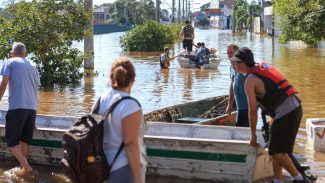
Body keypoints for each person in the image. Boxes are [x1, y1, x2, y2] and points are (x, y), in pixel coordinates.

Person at [231, 47, 307, 183]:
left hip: (286, 111)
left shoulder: (249, 81)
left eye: (235, 62)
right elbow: (276, 93)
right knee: (278, 150)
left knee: (275, 150)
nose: (234, 65)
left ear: (243, 63)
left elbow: (252, 111)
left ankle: (299, 178)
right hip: (294, 107)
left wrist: (253, 135)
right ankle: (277, 180)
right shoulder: (261, 69)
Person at [96, 57, 146, 183]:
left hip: (100, 167)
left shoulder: (101, 100)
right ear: (132, 80)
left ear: (111, 77)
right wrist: (138, 176)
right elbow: (130, 143)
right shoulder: (130, 106)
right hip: (122, 168)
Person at [0, 42, 40, 176]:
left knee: (11, 142)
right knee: (24, 140)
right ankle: (24, 170)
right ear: (26, 54)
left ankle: (26, 167)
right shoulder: (34, 66)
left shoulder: (10, 62)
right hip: (32, 108)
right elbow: (36, 88)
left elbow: (4, 82)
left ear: (12, 53)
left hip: (17, 107)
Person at [225, 44, 249, 127]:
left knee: (245, 132)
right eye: (228, 53)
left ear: (237, 52)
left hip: (248, 108)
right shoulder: (232, 67)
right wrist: (230, 104)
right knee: (239, 130)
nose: (229, 55)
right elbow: (232, 85)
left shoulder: (244, 66)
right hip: (239, 108)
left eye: (231, 52)